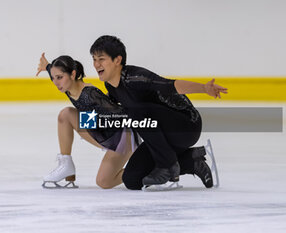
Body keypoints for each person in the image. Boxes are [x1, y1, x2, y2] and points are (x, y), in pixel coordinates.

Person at [89, 35, 228, 190]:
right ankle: (191, 161)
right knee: (132, 179)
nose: (96, 64)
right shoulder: (112, 87)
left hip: (186, 125)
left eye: (101, 59)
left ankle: (167, 165)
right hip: (160, 135)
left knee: (136, 112)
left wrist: (203, 88)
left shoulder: (136, 77)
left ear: (117, 60)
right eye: (94, 59)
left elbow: (170, 85)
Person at [36, 53, 135, 189]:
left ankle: (149, 168)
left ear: (73, 74)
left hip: (122, 137)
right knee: (66, 114)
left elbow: (122, 116)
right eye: (53, 78)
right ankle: (66, 165)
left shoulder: (90, 94)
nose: (56, 82)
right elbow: (55, 72)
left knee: (104, 182)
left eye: (59, 78)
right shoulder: (67, 87)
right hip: (102, 132)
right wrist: (46, 66)